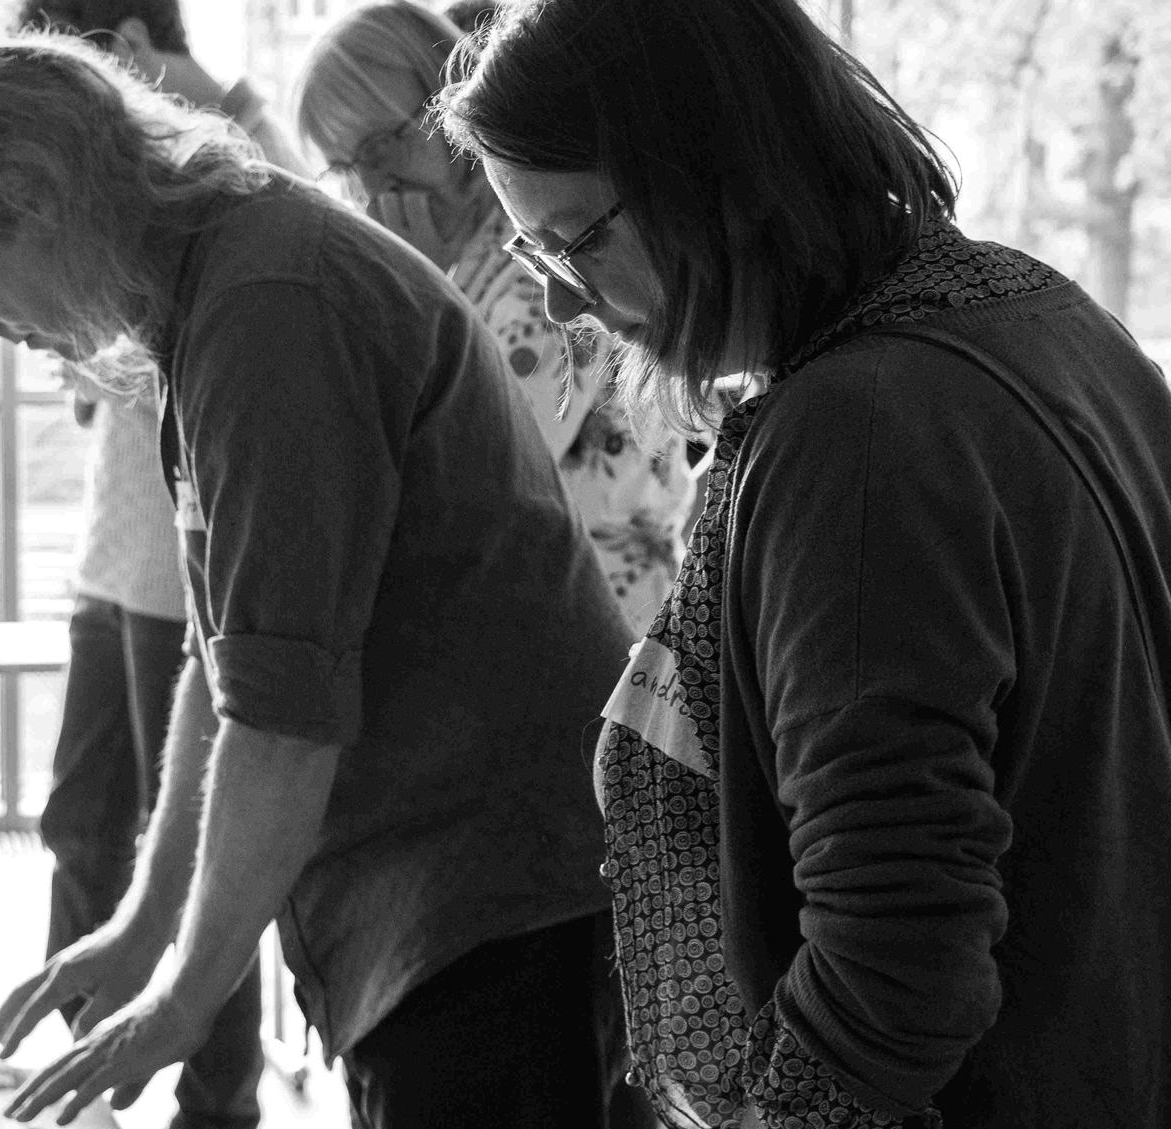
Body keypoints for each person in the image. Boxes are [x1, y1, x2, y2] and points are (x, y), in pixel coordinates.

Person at [0, 34, 637, 1129]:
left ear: (32, 198)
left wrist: (185, 991)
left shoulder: (270, 303)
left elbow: (280, 719)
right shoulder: (218, 278)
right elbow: (225, 657)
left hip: (490, 894)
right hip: (460, 891)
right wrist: (146, 923)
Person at [439, 2, 1171, 1127]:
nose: (561, 297)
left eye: (580, 239)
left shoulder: (856, 436)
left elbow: (896, 963)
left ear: (724, 170)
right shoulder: (1047, 315)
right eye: (534, 251)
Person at [6, 4, 311, 1127]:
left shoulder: (235, 168)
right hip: (122, 550)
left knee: (194, 838)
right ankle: (67, 1071)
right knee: (83, 823)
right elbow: (95, 379)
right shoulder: (98, 185)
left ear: (123, 47)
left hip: (196, 557)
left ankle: (212, 1095)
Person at [294, 0, 693, 636]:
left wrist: (409, 296)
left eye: (381, 143)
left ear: (447, 105)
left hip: (606, 638)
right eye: (345, 167)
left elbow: (460, 469)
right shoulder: (464, 259)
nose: (371, 185)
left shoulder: (546, 257)